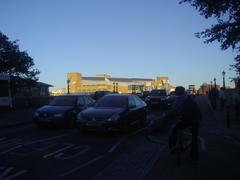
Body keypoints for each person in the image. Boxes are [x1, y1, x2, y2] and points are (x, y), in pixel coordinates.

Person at [168, 86, 202, 161]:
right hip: (196, 120)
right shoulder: (189, 97)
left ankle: (173, 145)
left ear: (178, 92)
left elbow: (175, 111)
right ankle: (194, 157)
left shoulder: (178, 99)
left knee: (175, 129)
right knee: (194, 138)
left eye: (176, 91)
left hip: (187, 120)